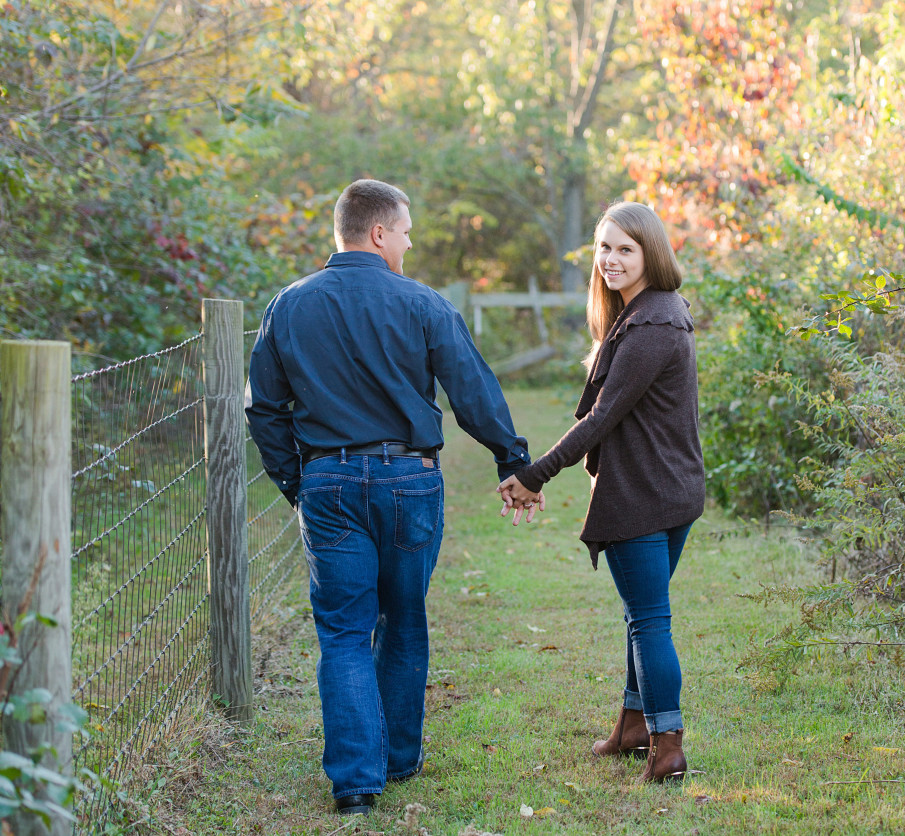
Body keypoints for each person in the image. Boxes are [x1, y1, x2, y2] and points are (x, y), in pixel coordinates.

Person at [245, 179, 539, 816]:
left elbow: (264, 409)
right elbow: (473, 392)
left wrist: (296, 482)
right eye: (405, 231)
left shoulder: (286, 307)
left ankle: (356, 782)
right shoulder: (422, 304)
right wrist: (513, 461)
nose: (408, 243)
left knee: (344, 632)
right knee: (403, 617)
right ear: (378, 232)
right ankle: (399, 759)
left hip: (328, 481)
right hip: (408, 481)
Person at [498, 201, 704, 783]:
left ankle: (668, 746)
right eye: (604, 248)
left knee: (649, 622)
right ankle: (634, 726)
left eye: (625, 249)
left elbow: (600, 420)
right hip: (673, 490)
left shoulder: (650, 324)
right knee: (644, 617)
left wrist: (533, 475)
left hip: (644, 497)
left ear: (650, 253)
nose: (611, 260)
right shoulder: (658, 313)